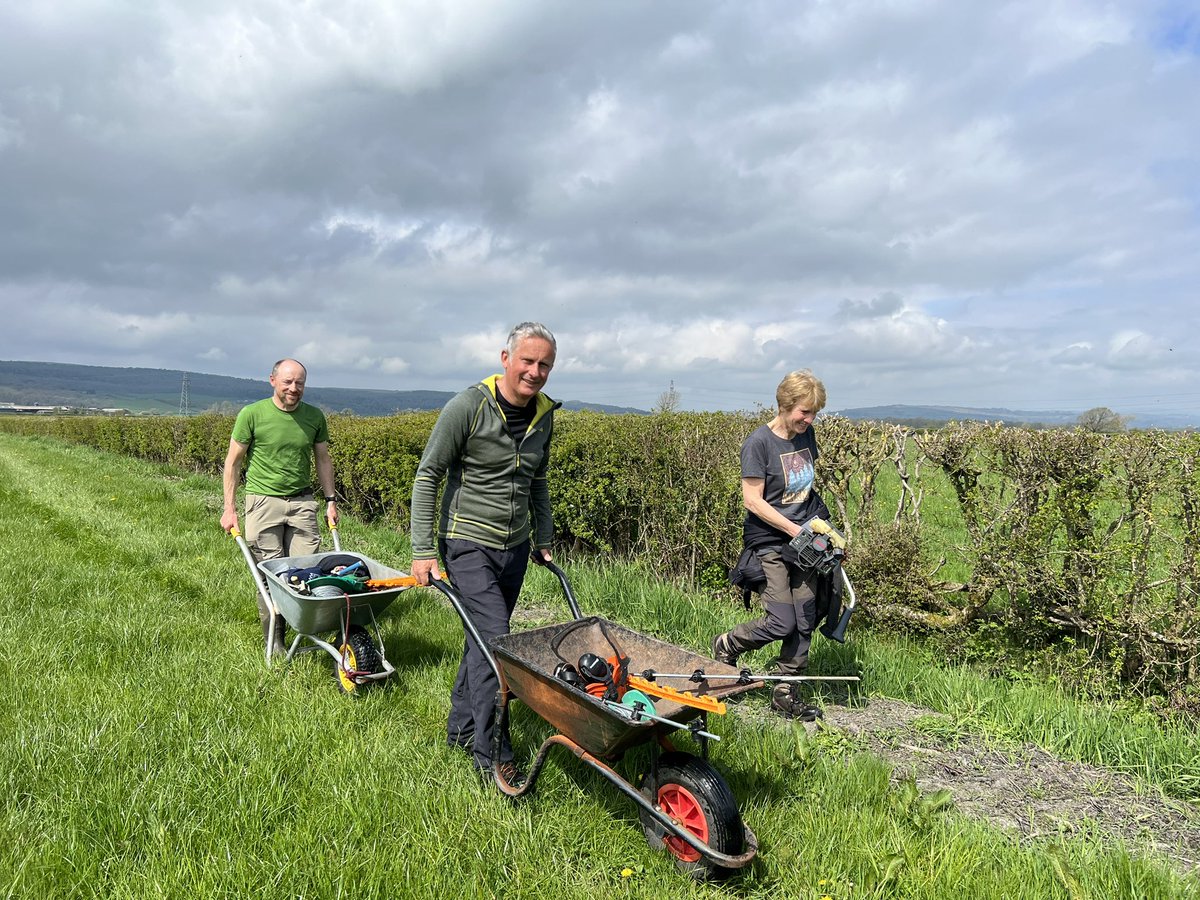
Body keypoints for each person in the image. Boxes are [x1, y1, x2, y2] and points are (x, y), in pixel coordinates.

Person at [410, 322, 560, 788]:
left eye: (545, 365)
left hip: (513, 547)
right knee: (498, 645)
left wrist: (543, 536)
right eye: (527, 361)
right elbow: (428, 474)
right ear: (505, 358)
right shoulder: (468, 406)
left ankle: (460, 731)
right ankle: (493, 755)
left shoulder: (544, 414)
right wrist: (420, 549)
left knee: (482, 638)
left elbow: (537, 479)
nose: (535, 372)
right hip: (467, 541)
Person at [711, 370, 834, 721]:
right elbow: (753, 501)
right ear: (784, 405)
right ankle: (727, 645)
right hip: (770, 541)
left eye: (814, 413)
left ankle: (785, 691)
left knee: (806, 617)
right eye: (804, 412)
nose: (809, 420)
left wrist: (823, 531)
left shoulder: (807, 436)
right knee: (782, 621)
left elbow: (805, 490)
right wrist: (794, 530)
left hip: (805, 540)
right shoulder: (758, 443)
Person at [220, 358, 339, 657]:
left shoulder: (314, 417)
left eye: (299, 382)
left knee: (305, 570)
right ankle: (275, 638)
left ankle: (306, 631)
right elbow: (233, 463)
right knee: (270, 573)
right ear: (272, 380)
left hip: (302, 502)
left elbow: (323, 459)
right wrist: (229, 508)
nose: (293, 388)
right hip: (263, 502)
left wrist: (330, 501)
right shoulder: (252, 414)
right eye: (287, 381)